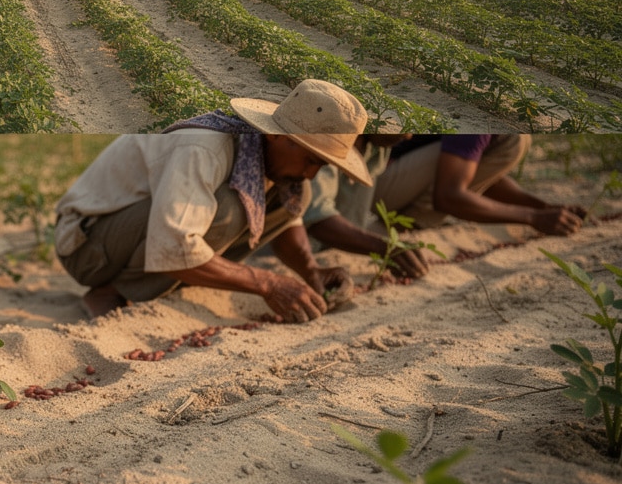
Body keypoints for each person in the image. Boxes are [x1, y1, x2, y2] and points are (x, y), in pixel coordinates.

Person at [54, 79, 373, 322]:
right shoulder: (204, 148)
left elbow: (286, 221)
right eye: (310, 159)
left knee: (298, 193)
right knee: (230, 209)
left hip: (125, 237)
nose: (312, 173)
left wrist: (311, 270)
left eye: (321, 165)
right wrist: (268, 283)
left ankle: (163, 283)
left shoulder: (266, 158)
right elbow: (176, 245)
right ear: (277, 135)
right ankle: (109, 292)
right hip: (87, 244)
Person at [373, 135, 586, 236]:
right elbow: (448, 196)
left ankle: (406, 221)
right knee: (514, 139)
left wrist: (543, 208)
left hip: (387, 176)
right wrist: (533, 217)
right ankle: (407, 223)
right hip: (376, 181)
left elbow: (474, 173)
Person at [302, 134, 432, 281]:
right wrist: (383, 247)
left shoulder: (379, 144)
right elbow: (316, 217)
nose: (408, 136)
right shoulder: (330, 134)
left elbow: (351, 220)